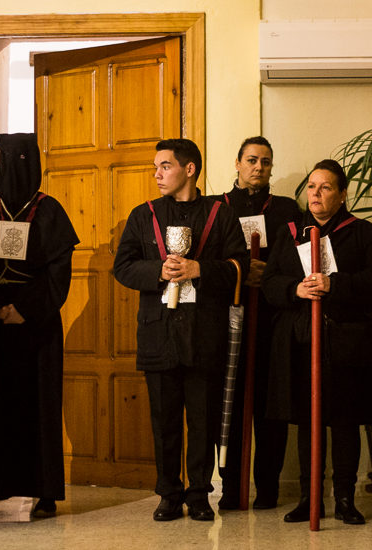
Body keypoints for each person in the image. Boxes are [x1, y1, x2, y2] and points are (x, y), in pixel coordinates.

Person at [112, 138, 248, 522]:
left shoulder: (221, 215)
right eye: (156, 167)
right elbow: (123, 267)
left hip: (205, 332)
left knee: (202, 421)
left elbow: (239, 265)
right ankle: (168, 493)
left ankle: (199, 494)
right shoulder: (143, 215)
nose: (157, 174)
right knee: (164, 419)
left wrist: (199, 269)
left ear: (189, 169)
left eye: (165, 166)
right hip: (158, 333)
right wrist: (159, 270)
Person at [262, 159, 372, 526]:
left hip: (349, 342)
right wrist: (296, 288)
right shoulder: (288, 232)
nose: (316, 194)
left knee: (344, 421)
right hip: (301, 340)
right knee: (308, 422)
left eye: (324, 188)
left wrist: (333, 285)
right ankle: (310, 499)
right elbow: (270, 283)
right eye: (311, 187)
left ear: (342, 195)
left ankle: (343, 499)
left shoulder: (364, 233)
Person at [0, 133, 80, 520]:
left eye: (25, 159)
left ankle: (44, 491)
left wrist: (23, 308)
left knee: (39, 407)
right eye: (10, 159)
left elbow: (58, 275)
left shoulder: (50, 211)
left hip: (36, 325)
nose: (17, 168)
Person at [210, 137, 300, 510]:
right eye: (251, 160)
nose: (258, 167)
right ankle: (231, 488)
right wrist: (239, 272)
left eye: (265, 161)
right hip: (226, 322)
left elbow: (301, 260)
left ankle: (268, 488)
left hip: (272, 323)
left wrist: (272, 272)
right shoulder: (217, 208)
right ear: (237, 163)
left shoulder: (287, 209)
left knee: (270, 410)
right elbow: (208, 260)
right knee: (226, 408)